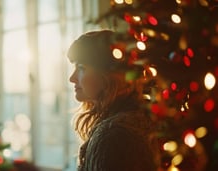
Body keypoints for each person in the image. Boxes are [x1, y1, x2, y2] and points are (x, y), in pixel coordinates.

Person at [67, 30, 160, 171]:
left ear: (109, 75)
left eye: (81, 68)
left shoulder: (114, 136)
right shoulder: (139, 117)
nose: (72, 78)